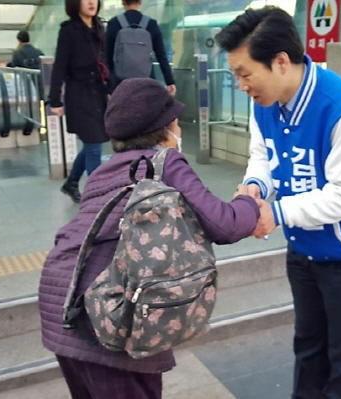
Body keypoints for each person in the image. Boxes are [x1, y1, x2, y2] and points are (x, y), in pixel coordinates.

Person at [38, 78, 259, 399]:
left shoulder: (104, 169)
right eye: (177, 123)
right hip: (106, 311)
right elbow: (224, 224)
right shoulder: (163, 162)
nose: (179, 132)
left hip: (61, 301)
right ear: (165, 129)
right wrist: (249, 201)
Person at [216, 7, 341, 399]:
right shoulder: (265, 102)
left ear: (280, 62)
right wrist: (254, 187)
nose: (242, 85)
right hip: (304, 249)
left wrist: (275, 213)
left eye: (245, 73)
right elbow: (261, 154)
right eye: (236, 75)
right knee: (308, 348)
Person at [49, 0, 110, 203]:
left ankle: (72, 183)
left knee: (93, 143)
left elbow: (107, 63)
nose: (92, 2)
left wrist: (111, 89)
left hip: (99, 93)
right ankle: (97, 198)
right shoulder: (68, 31)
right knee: (94, 145)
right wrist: (55, 100)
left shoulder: (100, 27)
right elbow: (59, 66)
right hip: (79, 94)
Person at [105, 0, 176, 95]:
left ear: (123, 2)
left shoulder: (114, 23)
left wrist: (108, 86)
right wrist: (170, 81)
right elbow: (161, 56)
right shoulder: (151, 24)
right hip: (146, 82)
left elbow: (107, 56)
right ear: (140, 2)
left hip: (120, 84)